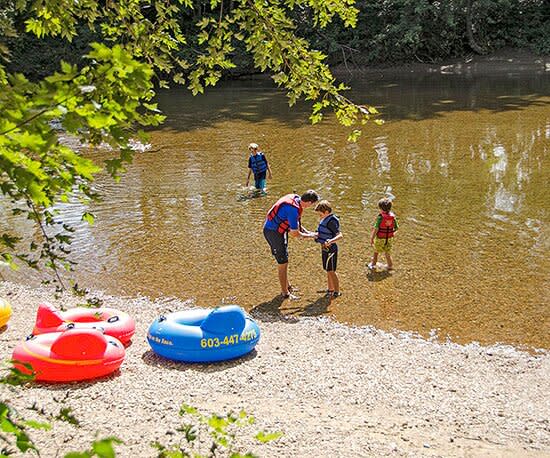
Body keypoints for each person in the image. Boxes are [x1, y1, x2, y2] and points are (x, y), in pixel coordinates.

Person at [263, 190, 319, 299]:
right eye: (313, 204)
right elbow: (295, 233)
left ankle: (287, 286)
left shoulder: (295, 198)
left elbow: (296, 225)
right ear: (309, 202)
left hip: (279, 231)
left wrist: (310, 233)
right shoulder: (293, 210)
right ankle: (285, 293)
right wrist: (311, 236)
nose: (312, 206)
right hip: (273, 233)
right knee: (282, 263)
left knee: (285, 260)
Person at [314, 200, 343, 298]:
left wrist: (330, 241)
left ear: (326, 212)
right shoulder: (324, 219)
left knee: (331, 270)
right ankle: (330, 289)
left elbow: (340, 235)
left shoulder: (331, 221)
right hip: (325, 249)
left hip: (331, 250)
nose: (319, 216)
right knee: (327, 269)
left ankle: (337, 291)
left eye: (320, 214)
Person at [368, 198, 399, 271]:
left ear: (381, 208)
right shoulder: (393, 218)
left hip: (380, 238)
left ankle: (373, 265)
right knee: (387, 253)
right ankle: (390, 265)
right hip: (389, 238)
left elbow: (376, 229)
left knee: (376, 252)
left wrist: (372, 238)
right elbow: (397, 228)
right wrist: (392, 234)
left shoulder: (380, 218)